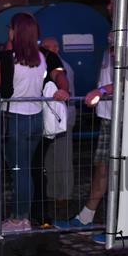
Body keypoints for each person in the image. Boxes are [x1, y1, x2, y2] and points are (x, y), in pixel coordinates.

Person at [0, 13, 70, 232]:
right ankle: (23, 217)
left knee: (19, 170)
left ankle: (18, 219)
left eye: (10, 28)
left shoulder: (12, 58)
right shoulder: (41, 59)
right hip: (35, 118)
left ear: (15, 31)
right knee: (27, 169)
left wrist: (7, 50)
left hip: (16, 118)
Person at [54, 0, 115, 242]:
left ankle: (118, 225)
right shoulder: (113, 33)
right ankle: (86, 217)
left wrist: (102, 91)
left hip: (124, 116)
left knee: (118, 171)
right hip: (109, 115)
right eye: (108, 1)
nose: (108, 6)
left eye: (113, 1)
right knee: (103, 168)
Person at [40, 36, 76, 217]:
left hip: (62, 117)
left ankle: (65, 195)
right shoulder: (48, 66)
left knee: (63, 157)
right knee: (50, 158)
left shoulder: (62, 67)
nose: (46, 50)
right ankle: (53, 192)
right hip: (52, 117)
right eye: (45, 47)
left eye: (49, 47)